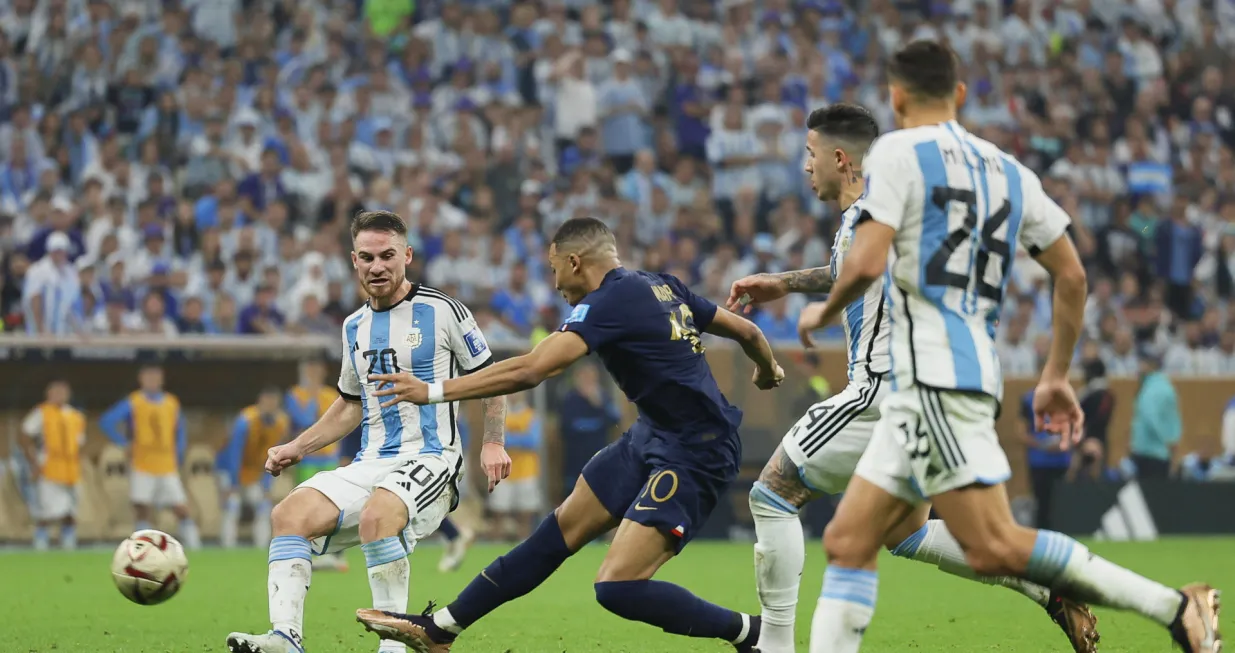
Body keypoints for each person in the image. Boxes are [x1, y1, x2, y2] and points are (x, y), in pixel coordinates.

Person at [799, 40, 1220, 653]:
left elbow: (866, 259)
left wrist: (824, 308)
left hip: (933, 379)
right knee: (849, 540)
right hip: (962, 372)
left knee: (994, 542)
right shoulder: (1008, 169)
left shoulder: (896, 151)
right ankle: (1171, 607)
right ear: (960, 96)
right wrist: (1054, 374)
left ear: (895, 98)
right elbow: (1072, 276)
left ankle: (1174, 607)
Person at [726, 103, 1094, 653]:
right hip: (919, 393)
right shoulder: (880, 214)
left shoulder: (870, 213)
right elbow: (854, 270)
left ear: (839, 157)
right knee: (906, 532)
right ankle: (1046, 586)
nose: (805, 166)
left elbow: (864, 268)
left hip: (878, 392)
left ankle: (774, 645)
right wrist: (783, 282)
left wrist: (811, 307)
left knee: (772, 493)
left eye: (810, 154)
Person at [355, 217, 784, 652]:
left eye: (554, 266)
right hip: (651, 437)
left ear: (575, 262)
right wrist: (768, 369)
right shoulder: (661, 285)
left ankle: (752, 633)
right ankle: (439, 630)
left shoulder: (609, 301)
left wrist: (432, 391)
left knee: (617, 586)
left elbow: (533, 369)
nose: (555, 280)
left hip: (695, 452)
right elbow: (748, 331)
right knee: (553, 537)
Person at [226, 210, 512, 653]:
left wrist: (493, 441)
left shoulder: (444, 311)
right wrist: (297, 446)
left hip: (432, 455)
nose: (377, 266)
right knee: (289, 516)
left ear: (407, 256)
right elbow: (350, 405)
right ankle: (285, 638)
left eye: (387, 255)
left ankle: (394, 646)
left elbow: (493, 381)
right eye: (367, 257)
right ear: (353, 261)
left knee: (380, 514)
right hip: (371, 460)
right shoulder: (353, 326)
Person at [100, 364, 201, 549]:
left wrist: (179, 454)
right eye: (149, 377)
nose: (153, 381)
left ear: (162, 379)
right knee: (142, 508)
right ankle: (141, 548)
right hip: (142, 463)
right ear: (141, 379)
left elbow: (180, 432)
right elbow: (107, 422)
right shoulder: (134, 401)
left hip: (167, 464)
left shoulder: (172, 402)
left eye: (156, 377)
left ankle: (195, 544)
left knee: (180, 507)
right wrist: (124, 443)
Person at [285, 358, 352, 571]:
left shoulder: (332, 394)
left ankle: (335, 553)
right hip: (307, 458)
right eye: (310, 369)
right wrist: (312, 396)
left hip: (330, 457)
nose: (314, 373)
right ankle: (310, 552)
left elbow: (338, 423)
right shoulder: (294, 394)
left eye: (317, 369)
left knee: (334, 505)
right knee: (307, 505)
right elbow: (304, 420)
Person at [218, 387, 291, 549]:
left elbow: (273, 457)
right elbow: (234, 452)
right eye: (267, 402)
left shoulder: (280, 423)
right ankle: (227, 546)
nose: (270, 406)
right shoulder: (246, 420)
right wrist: (233, 484)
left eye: (274, 403)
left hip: (253, 472)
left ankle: (261, 547)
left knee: (263, 506)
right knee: (232, 505)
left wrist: (266, 484)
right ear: (260, 402)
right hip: (229, 468)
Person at [18, 380, 86, 551]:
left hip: (71, 469)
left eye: (62, 392)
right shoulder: (41, 412)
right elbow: (25, 435)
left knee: (71, 510)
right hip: (48, 467)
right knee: (46, 510)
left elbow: (80, 444)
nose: (59, 395)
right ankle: (41, 541)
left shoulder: (76, 416)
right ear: (48, 394)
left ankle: (69, 541)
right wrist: (33, 463)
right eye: (55, 392)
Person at [487, 391, 544, 541]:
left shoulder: (531, 415)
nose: (513, 396)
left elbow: (533, 442)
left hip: (526, 470)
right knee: (498, 512)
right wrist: (519, 438)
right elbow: (495, 439)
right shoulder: (499, 414)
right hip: (501, 470)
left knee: (525, 513)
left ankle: (523, 544)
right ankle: (495, 545)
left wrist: (510, 438)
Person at [1019, 388, 1071, 530]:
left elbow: (1075, 427)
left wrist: (1062, 443)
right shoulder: (1029, 399)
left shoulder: (1067, 398)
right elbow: (1021, 432)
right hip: (1039, 462)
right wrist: (1042, 445)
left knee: (1060, 505)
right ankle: (1043, 540)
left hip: (1061, 461)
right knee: (1042, 505)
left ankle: (1062, 539)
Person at [1130, 351, 1182, 480]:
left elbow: (1151, 418)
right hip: (1157, 452)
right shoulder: (1164, 386)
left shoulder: (1153, 389)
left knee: (1150, 495)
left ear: (1150, 365)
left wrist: (1167, 439)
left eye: (1141, 363)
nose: (1138, 368)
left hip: (1152, 453)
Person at [1072, 358, 1114, 481]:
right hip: (1101, 441)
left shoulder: (1088, 394)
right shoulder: (1109, 395)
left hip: (1086, 441)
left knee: (1083, 479)